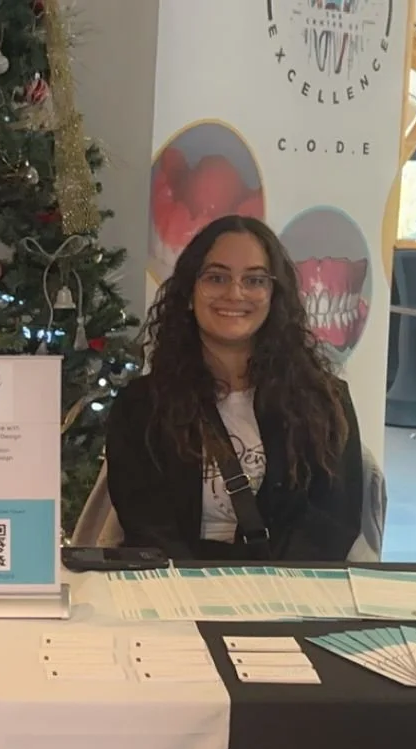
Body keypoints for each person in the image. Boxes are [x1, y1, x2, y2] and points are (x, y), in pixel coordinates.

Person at [105, 214, 365, 562]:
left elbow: (332, 523)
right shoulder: (140, 408)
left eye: (255, 280)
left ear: (275, 295)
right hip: (179, 593)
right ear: (189, 292)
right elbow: (148, 530)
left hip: (292, 594)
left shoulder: (325, 401)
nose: (235, 293)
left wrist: (271, 591)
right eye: (216, 277)